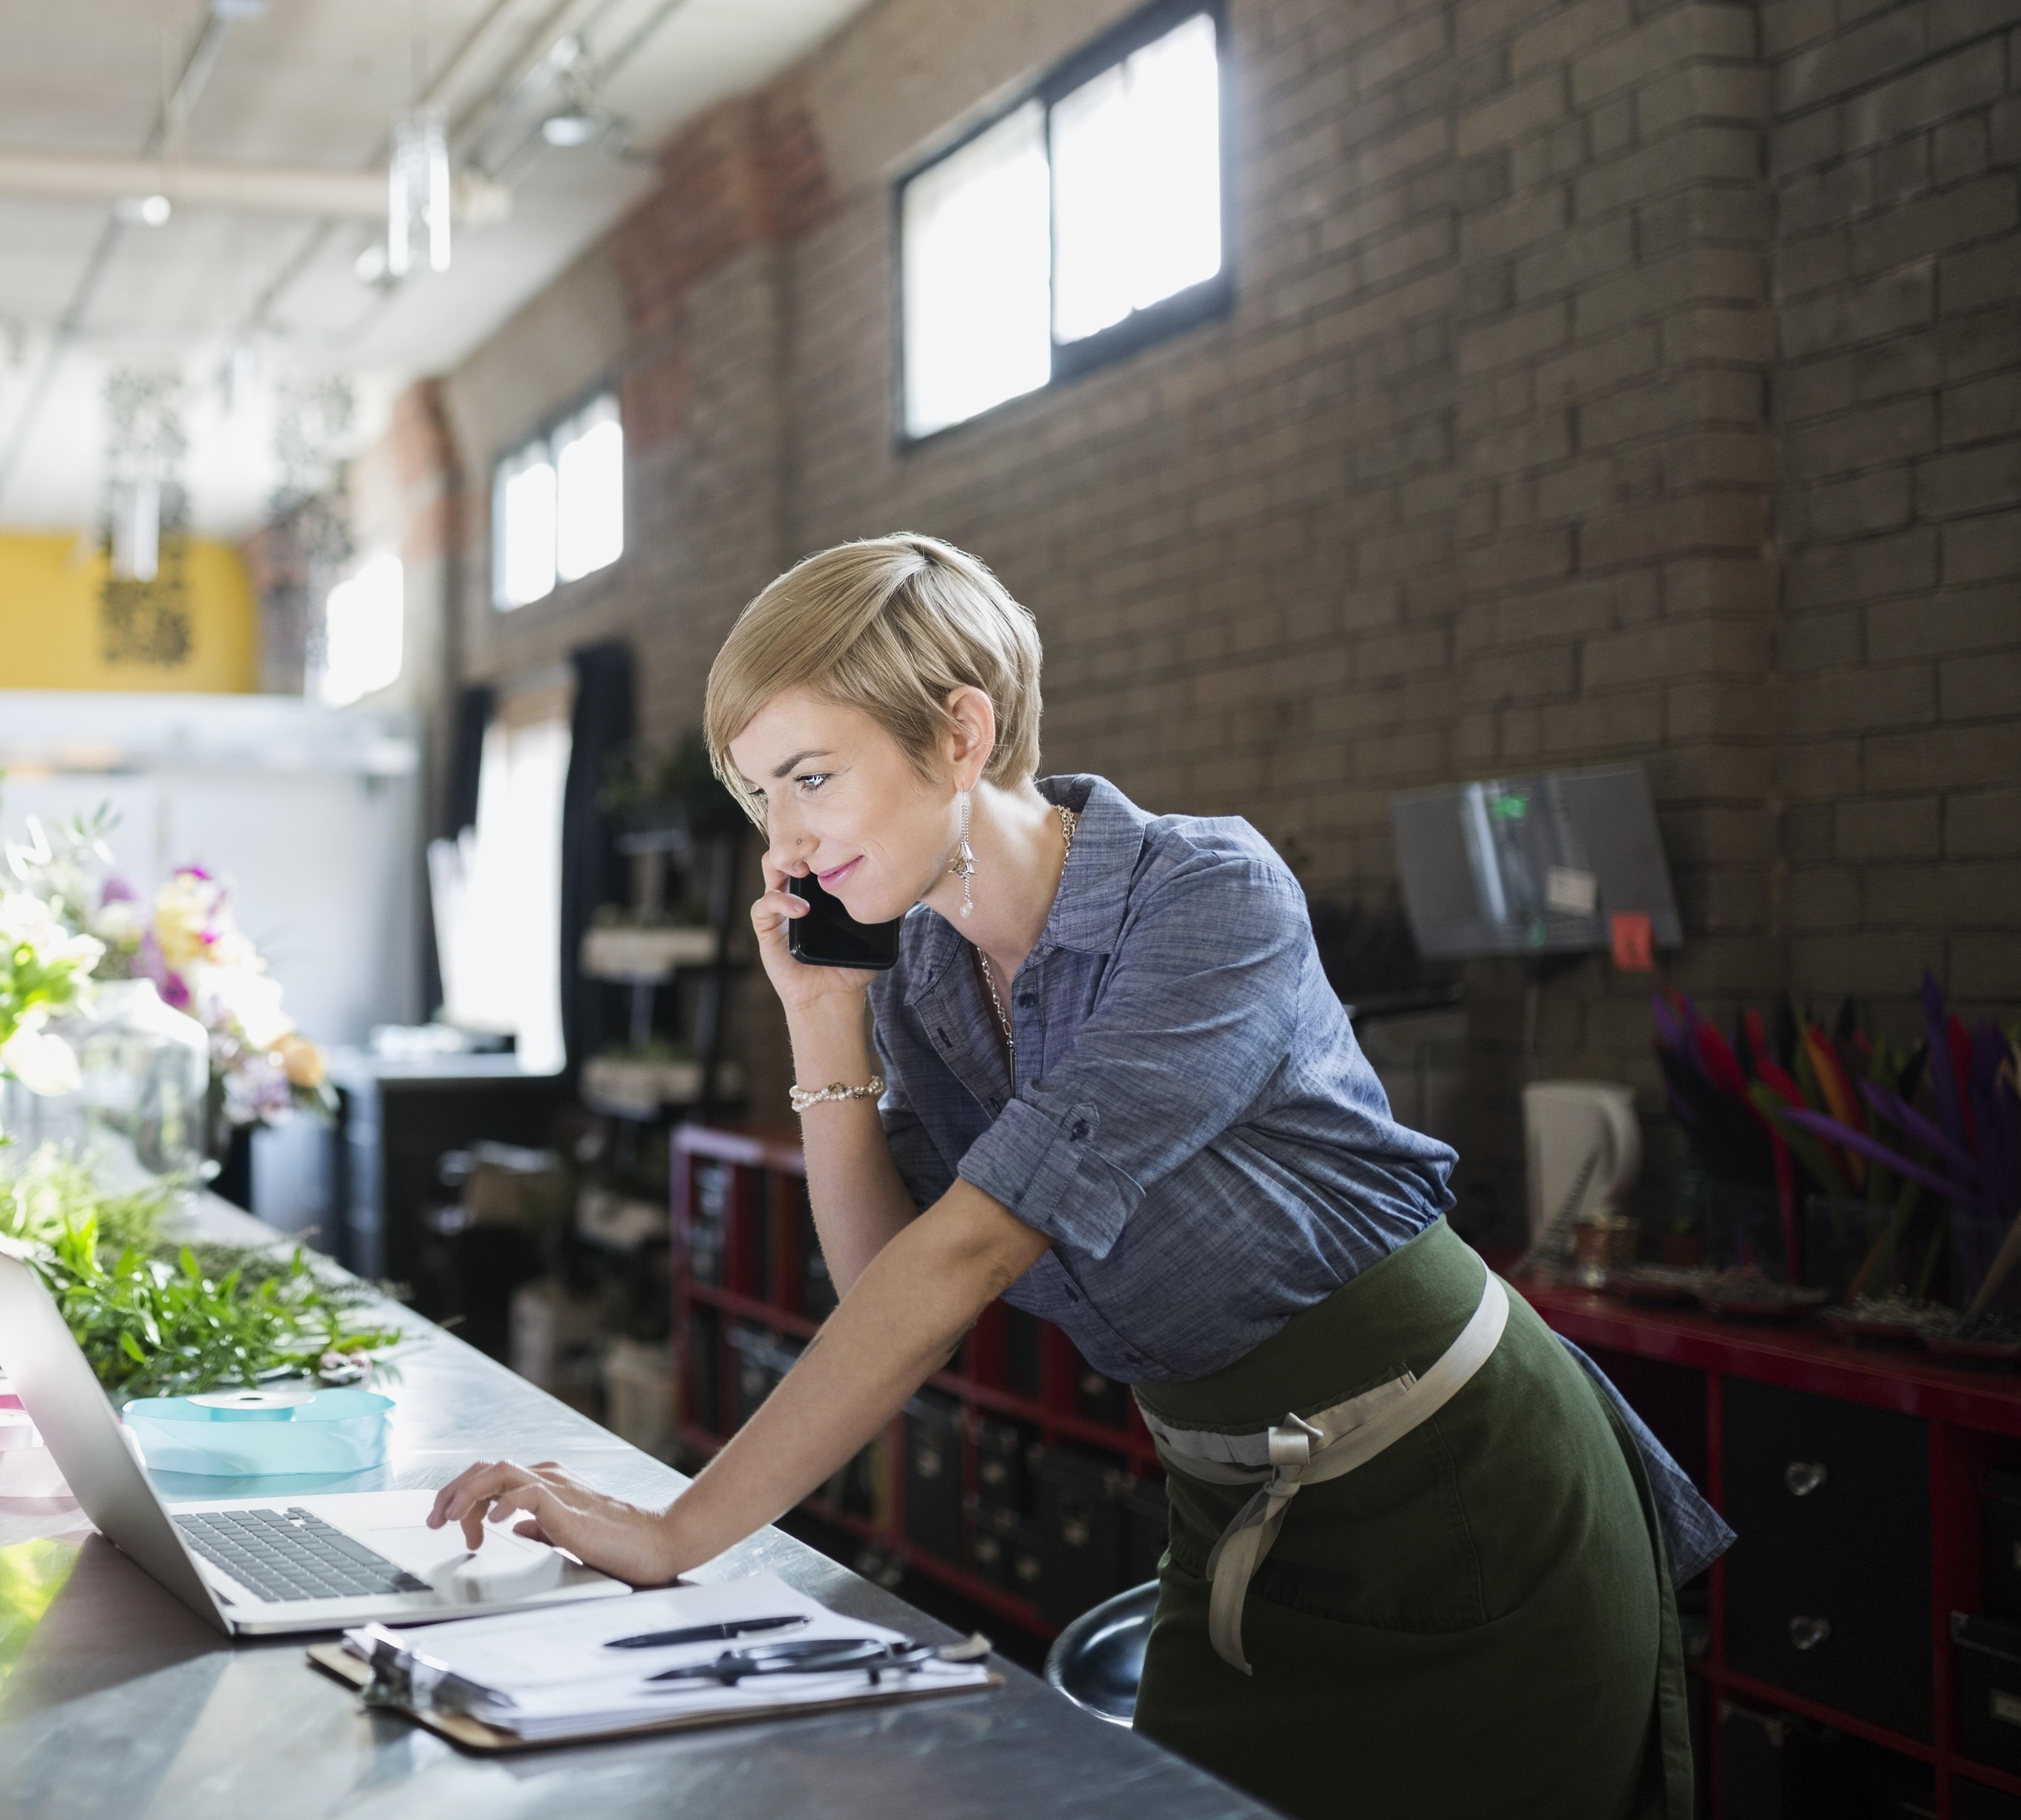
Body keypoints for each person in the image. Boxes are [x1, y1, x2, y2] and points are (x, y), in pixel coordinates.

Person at [428, 534, 1726, 1819]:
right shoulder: (925, 976)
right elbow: (889, 1291)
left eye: (813, 776)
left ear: (962, 734)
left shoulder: (1208, 898)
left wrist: (677, 1530)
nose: (787, 840)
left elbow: (972, 1254)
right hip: (1233, 1511)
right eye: (761, 795)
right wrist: (823, 1022)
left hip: (1461, 1494)